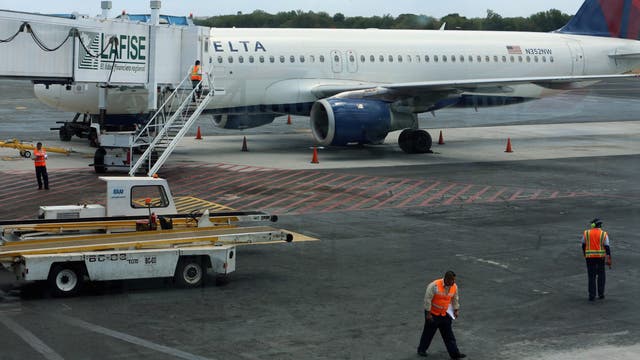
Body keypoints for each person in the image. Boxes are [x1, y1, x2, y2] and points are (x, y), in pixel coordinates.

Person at [417, 271, 466, 359]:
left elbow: (455, 298)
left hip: (444, 314)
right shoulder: (434, 285)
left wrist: (456, 310)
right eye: (451, 281)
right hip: (433, 314)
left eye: (454, 281)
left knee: (449, 335)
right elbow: (427, 300)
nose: (453, 283)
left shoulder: (454, 286)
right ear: (446, 279)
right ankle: (421, 350)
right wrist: (428, 314)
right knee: (428, 333)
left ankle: (455, 354)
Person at [582, 218, 612, 301]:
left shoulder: (586, 233)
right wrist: (609, 258)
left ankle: (592, 296)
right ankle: (601, 294)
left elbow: (583, 245)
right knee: (601, 276)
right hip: (600, 258)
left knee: (591, 276)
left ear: (593, 225)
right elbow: (607, 247)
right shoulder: (604, 234)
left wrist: (585, 254)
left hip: (590, 258)